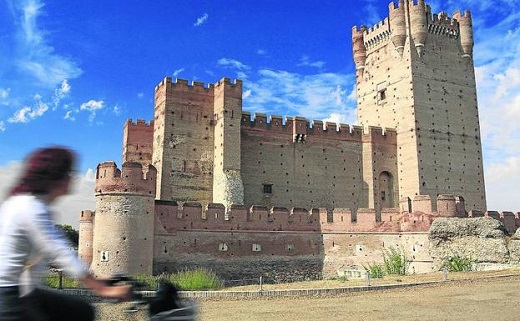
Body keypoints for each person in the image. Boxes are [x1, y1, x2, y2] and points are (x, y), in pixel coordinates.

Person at [0, 146, 130, 321]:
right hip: (10, 296)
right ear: (57, 176)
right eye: (69, 172)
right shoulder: (31, 208)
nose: (73, 177)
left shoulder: (24, 203)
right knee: (80, 312)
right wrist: (101, 288)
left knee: (80, 310)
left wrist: (100, 279)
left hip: (24, 290)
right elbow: (58, 250)